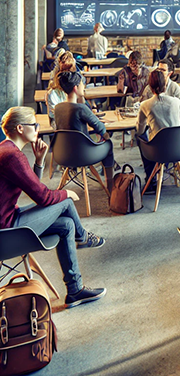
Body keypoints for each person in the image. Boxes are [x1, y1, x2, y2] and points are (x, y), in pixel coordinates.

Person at [0, 106, 106, 308]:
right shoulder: (13, 156)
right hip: (7, 231)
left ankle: (75, 291)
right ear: (21, 128)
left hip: (8, 222)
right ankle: (83, 238)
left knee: (66, 225)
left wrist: (39, 162)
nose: (38, 128)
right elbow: (42, 197)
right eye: (34, 124)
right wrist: (67, 193)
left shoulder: (5, 149)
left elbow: (33, 188)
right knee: (65, 201)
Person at [55, 71, 115, 195]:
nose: (84, 87)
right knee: (108, 144)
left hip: (63, 155)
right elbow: (100, 128)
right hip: (84, 154)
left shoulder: (58, 108)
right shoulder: (81, 108)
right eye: (82, 84)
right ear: (76, 88)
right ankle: (111, 186)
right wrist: (106, 136)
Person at [136, 70, 180, 191]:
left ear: (150, 87)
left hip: (158, 151)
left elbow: (139, 130)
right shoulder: (176, 101)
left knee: (141, 138)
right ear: (165, 85)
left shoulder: (145, 105)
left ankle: (151, 178)